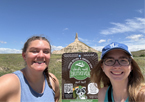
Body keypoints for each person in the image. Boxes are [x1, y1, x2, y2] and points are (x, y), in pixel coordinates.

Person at [0, 36, 60, 102]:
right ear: (24, 56)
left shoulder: (52, 80)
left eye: (46, 51)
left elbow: (56, 98)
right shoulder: (9, 83)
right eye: (34, 51)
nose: (41, 55)